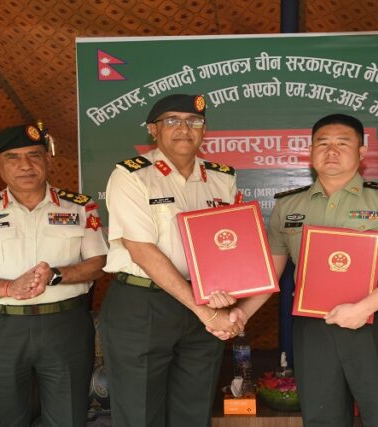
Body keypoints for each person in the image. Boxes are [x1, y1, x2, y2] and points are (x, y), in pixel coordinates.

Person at [235, 113, 378, 426]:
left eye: (343, 143)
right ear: (310, 152)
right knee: (322, 418)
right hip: (313, 329)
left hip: (374, 323)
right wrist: (241, 313)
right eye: (322, 144)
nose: (332, 151)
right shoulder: (288, 205)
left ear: (362, 152)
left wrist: (362, 308)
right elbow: (271, 272)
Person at [0, 123, 108, 427]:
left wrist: (56, 274)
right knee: (5, 418)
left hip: (65, 325)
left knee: (68, 417)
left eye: (34, 155)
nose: (25, 165)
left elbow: (98, 263)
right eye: (13, 157)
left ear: (48, 160)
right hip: (1, 328)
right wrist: (8, 288)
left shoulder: (80, 207)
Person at [100, 93, 241, 427]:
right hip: (144, 304)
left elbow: (231, 244)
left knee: (194, 410)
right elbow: (141, 251)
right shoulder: (131, 175)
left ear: (204, 130)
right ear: (153, 129)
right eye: (172, 121)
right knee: (140, 414)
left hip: (206, 303)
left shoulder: (222, 178)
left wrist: (228, 300)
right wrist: (206, 312)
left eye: (194, 121)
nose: (184, 129)